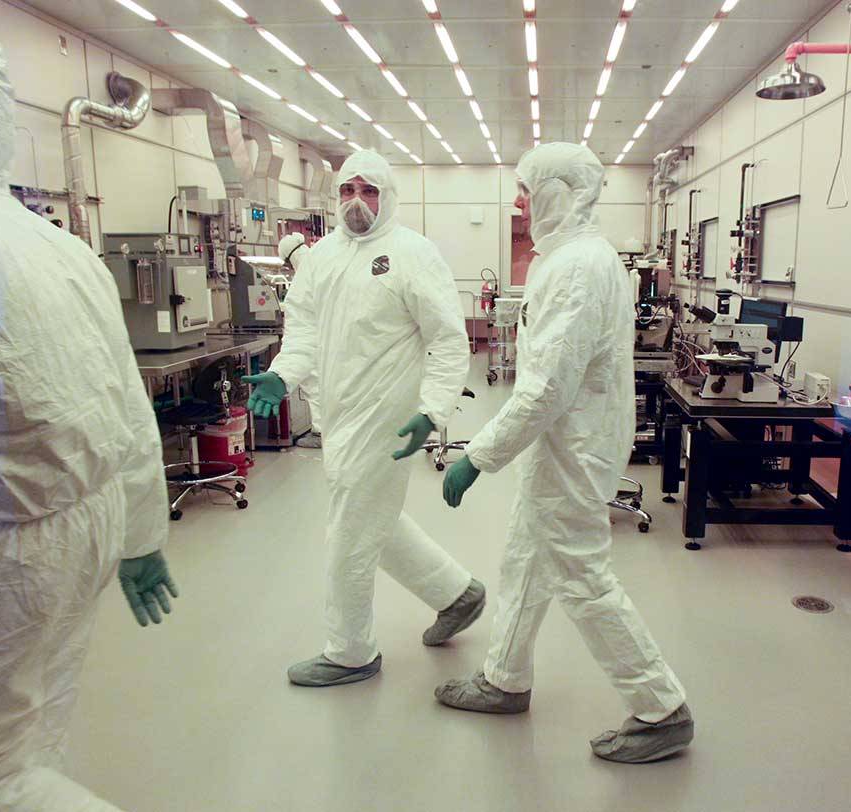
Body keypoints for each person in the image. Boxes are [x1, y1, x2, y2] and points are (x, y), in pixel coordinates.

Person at [0, 15, 178, 811]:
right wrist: (141, 536)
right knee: (26, 744)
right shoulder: (61, 247)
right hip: (74, 541)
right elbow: (128, 412)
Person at [435, 143, 693, 764]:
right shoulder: (568, 258)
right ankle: (504, 678)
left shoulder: (578, 266)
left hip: (573, 448)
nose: (518, 202)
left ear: (559, 192)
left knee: (581, 574)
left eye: (527, 190)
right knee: (526, 557)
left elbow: (548, 386)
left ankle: (661, 707)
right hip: (566, 441)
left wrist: (478, 455)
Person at [243, 150, 485, 687]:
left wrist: (432, 409)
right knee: (373, 516)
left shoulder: (413, 253)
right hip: (339, 416)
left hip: (388, 418)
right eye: (348, 190)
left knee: (348, 530)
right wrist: (282, 375)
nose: (357, 202)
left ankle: (350, 651)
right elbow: (303, 330)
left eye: (369, 190)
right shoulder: (321, 258)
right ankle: (456, 593)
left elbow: (447, 340)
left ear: (388, 196)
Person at [277, 231, 322, 449]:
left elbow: (300, 316)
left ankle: (321, 432)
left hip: (313, 342)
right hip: (326, 341)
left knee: (315, 387)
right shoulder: (319, 261)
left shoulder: (305, 274)